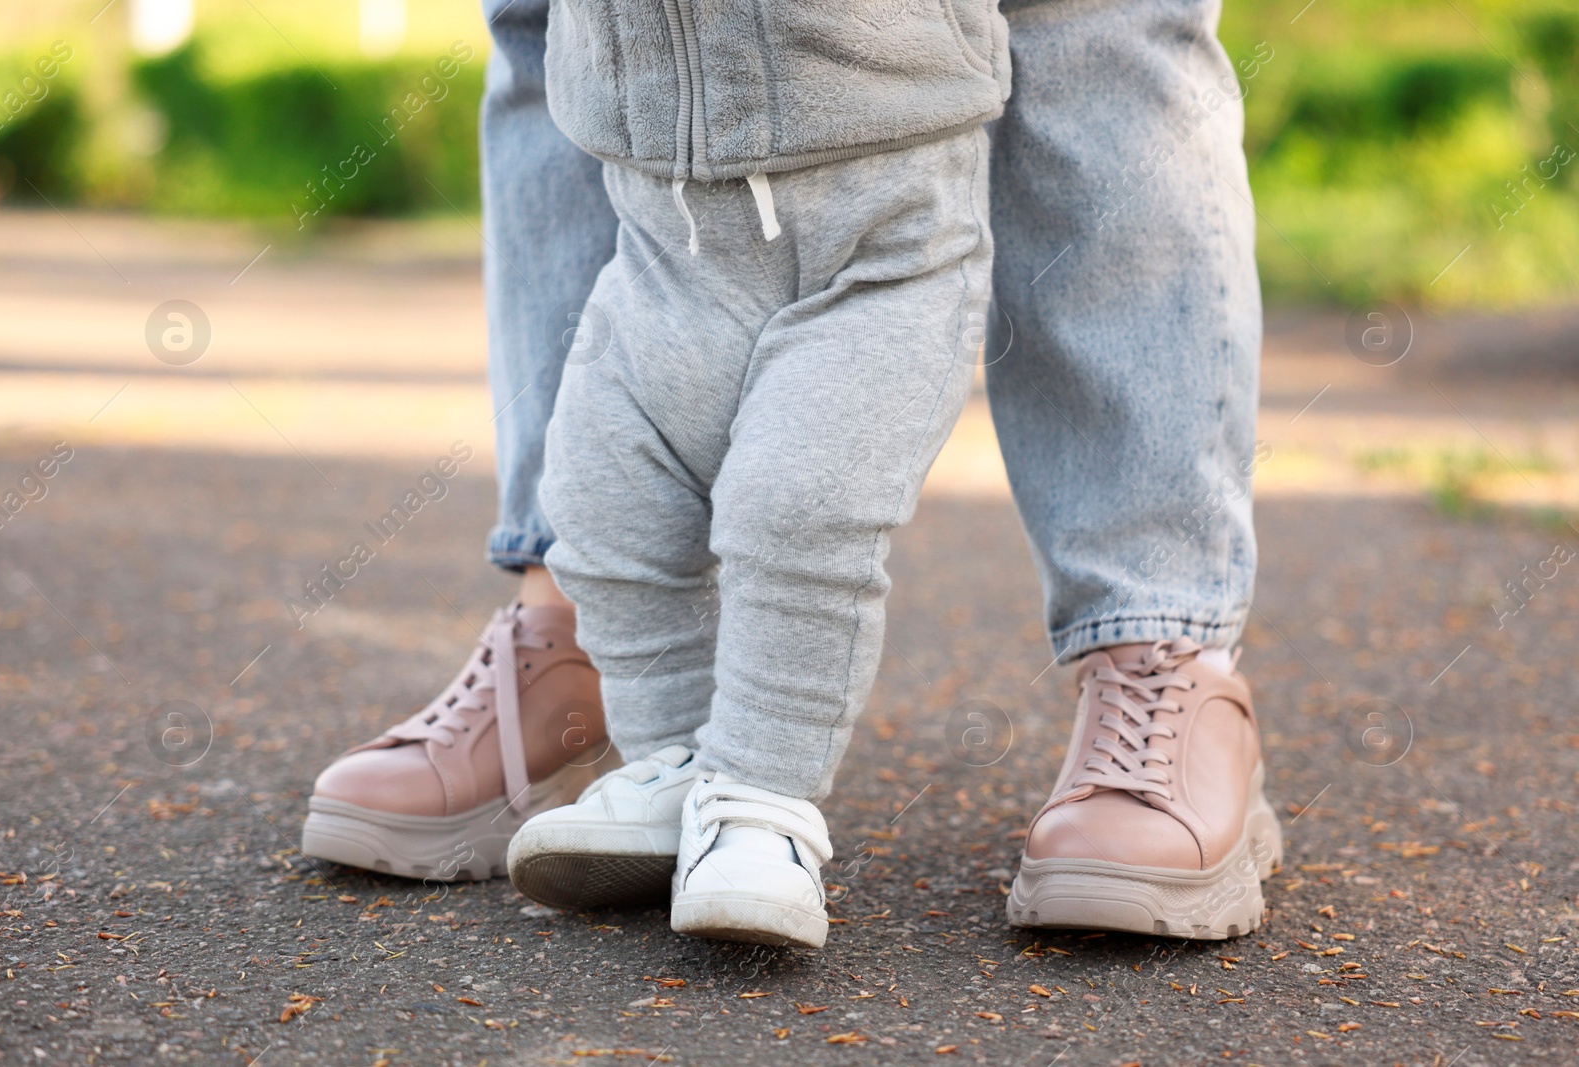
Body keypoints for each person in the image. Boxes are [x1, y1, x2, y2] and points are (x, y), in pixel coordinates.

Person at [302, 0, 1278, 944]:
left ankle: (1156, 649)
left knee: (1087, 13)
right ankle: (595, 664)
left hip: (881, 215)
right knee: (556, 21)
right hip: (664, 226)